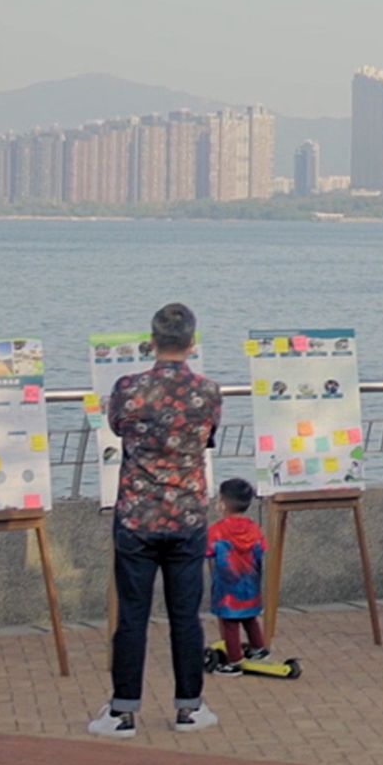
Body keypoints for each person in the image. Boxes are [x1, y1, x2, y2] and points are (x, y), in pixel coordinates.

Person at [89, 302, 222, 738]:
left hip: (136, 516)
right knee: (186, 617)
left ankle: (122, 711)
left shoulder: (128, 388)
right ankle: (190, 708)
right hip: (187, 516)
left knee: (132, 616)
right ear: (192, 343)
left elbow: (116, 428)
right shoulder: (208, 392)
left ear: (152, 341)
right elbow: (208, 438)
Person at [207, 477, 268, 674]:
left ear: (222, 504)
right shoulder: (254, 528)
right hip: (251, 585)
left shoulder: (217, 531)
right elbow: (262, 549)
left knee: (230, 624)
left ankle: (233, 661)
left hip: (227, 589)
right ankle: (259, 649)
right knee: (250, 618)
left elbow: (206, 551)